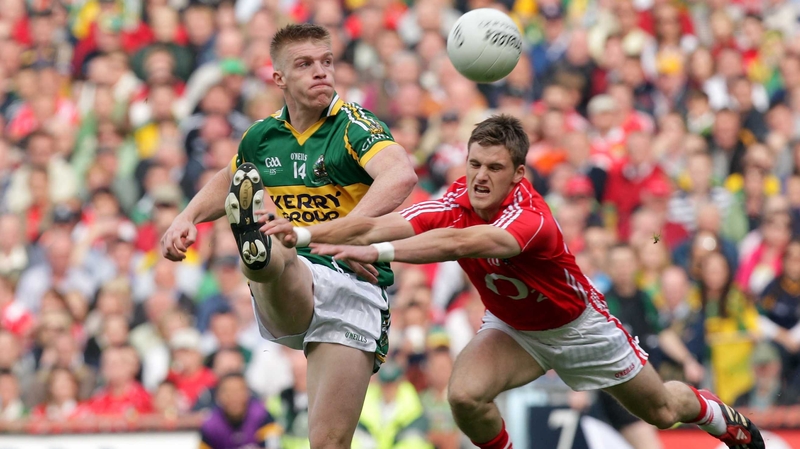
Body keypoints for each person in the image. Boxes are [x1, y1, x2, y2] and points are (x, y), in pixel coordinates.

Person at [263, 114, 765, 449]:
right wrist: (302, 233)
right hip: (512, 328)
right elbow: (382, 223)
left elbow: (459, 243)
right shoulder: (459, 196)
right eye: (474, 164)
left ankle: (719, 417)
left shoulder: (531, 219)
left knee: (662, 410)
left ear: (519, 173)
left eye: (494, 168)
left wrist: (375, 253)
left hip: (579, 328)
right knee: (464, 397)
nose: (480, 177)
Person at [160, 23, 417, 449]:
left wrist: (347, 235)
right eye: (305, 64)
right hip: (296, 274)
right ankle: (258, 252)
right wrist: (186, 216)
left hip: (354, 287)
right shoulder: (262, 137)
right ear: (279, 78)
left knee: (328, 443)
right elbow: (229, 178)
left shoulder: (354, 126)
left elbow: (400, 175)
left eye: (327, 62)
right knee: (279, 250)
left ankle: (261, 248)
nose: (321, 72)